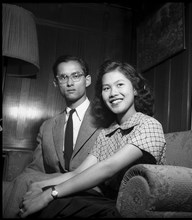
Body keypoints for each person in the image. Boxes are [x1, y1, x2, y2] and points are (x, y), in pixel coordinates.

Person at [19, 60, 166, 218]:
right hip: (108, 201)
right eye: (106, 88)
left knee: (52, 202)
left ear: (135, 89)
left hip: (137, 207)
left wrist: (50, 193)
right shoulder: (107, 132)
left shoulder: (149, 125)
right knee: (52, 204)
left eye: (120, 85)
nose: (113, 93)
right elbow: (81, 171)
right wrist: (40, 185)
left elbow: (108, 168)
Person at [3, 55, 101, 218]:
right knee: (23, 180)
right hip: (52, 189)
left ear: (88, 80)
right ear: (56, 83)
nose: (70, 83)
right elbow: (35, 169)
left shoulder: (105, 119)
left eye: (76, 76)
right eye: (63, 77)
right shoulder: (47, 126)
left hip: (90, 187)